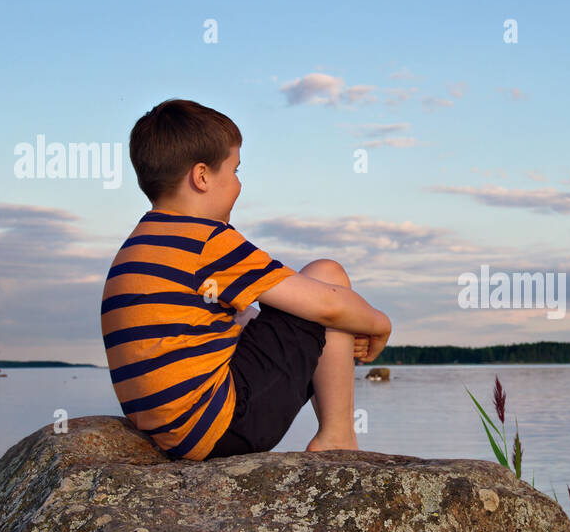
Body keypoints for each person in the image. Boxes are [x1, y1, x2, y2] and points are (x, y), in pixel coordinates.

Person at [100, 98, 391, 460]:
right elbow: (328, 306)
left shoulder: (141, 246)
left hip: (176, 435)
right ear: (202, 176)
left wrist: (334, 339)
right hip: (225, 426)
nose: (239, 184)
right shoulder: (204, 238)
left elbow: (232, 324)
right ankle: (338, 437)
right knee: (326, 275)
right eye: (235, 170)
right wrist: (379, 325)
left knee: (264, 313)